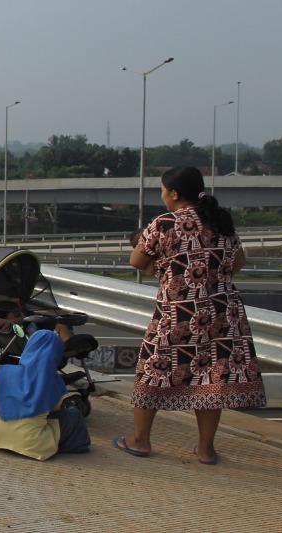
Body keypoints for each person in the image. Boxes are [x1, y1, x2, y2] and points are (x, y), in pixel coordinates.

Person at [114, 165, 266, 465]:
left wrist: (165, 270)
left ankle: (140, 440)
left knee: (153, 370)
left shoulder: (165, 223)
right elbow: (238, 262)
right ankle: (205, 450)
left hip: (179, 312)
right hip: (223, 314)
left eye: (162, 190)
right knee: (211, 378)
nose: (162, 195)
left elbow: (136, 260)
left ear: (173, 193)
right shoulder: (220, 220)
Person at [0, 329, 90, 460]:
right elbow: (55, 410)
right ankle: (75, 446)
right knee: (73, 414)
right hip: (33, 444)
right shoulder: (55, 381)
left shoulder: (6, 373)